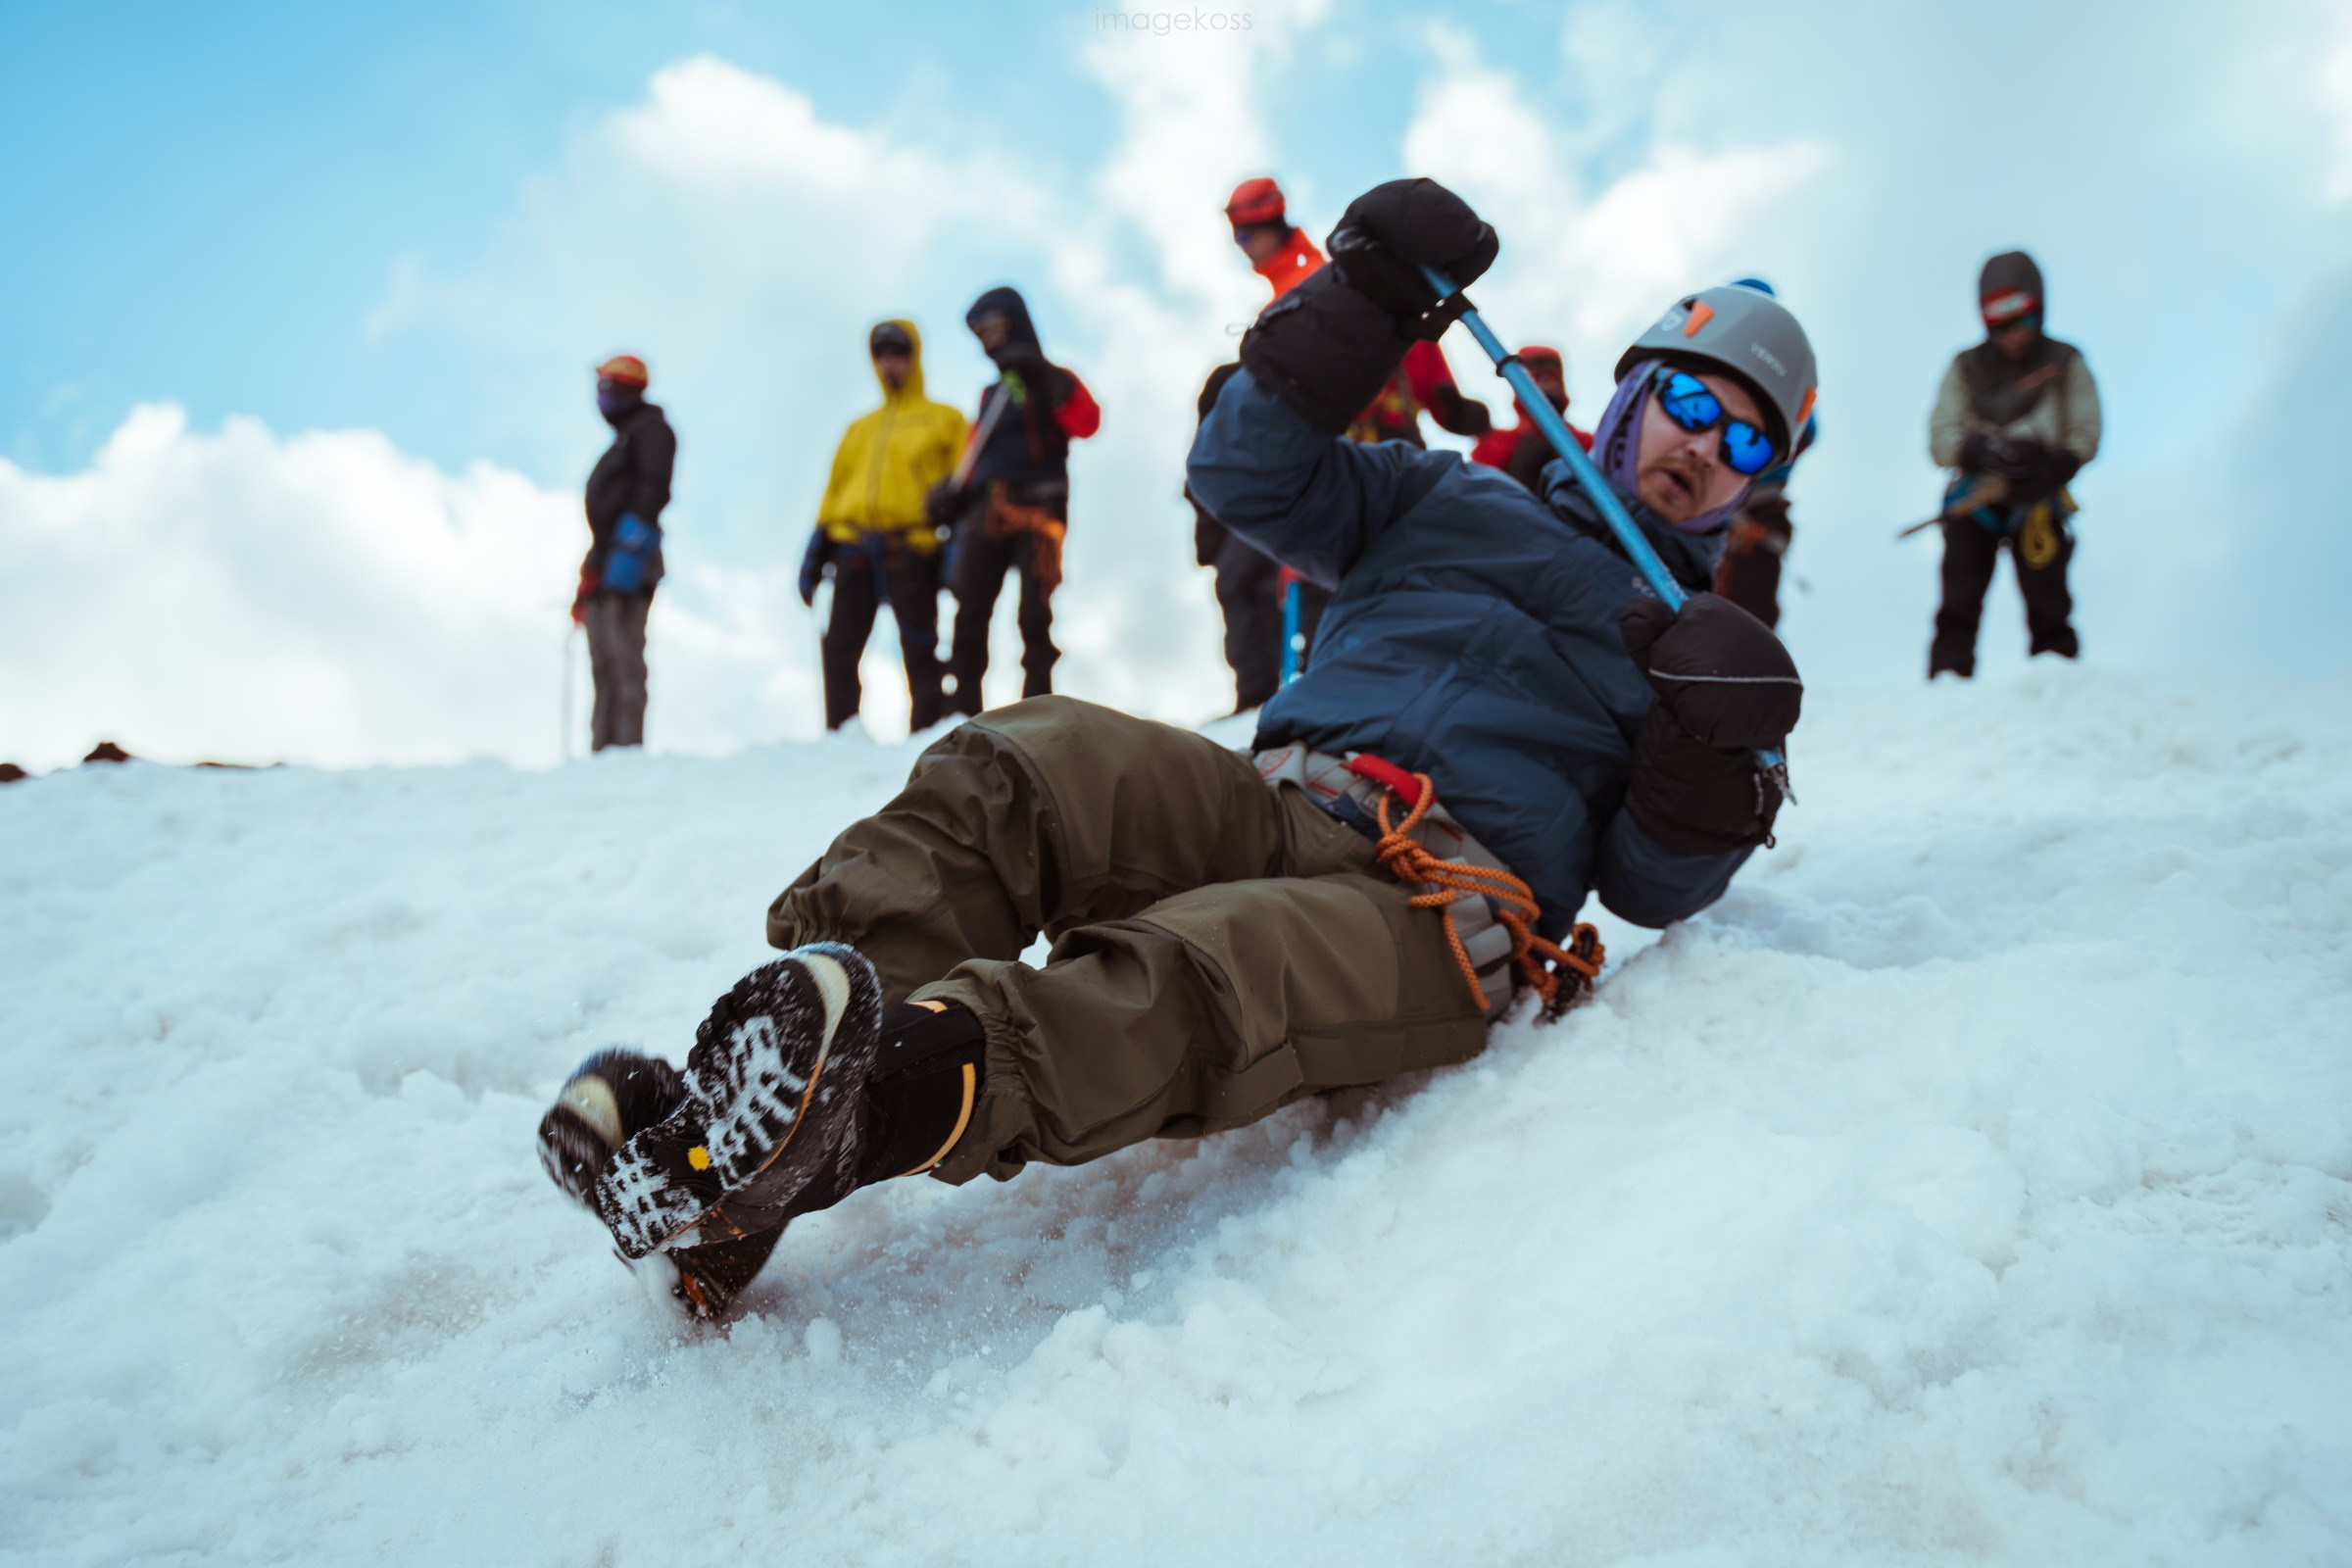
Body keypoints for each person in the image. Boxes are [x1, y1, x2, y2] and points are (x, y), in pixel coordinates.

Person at [534, 180, 1815, 1320]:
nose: (1704, 449)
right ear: (1633, 398)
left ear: (1761, 484)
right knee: (1031, 762)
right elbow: (1248, 475)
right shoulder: (1447, 495)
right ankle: (751, 1103)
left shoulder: (1708, 661)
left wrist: (1712, 752)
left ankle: (868, 1111)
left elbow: (1651, 882)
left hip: (1437, 903)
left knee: (1211, 968)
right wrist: (1357, 301)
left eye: (1747, 442)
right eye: (1692, 405)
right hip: (1279, 803)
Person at [1926, 251, 2101, 677]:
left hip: (2039, 502)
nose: (2013, 335)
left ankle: (2060, 685)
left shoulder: (2066, 361)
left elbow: (2086, 429)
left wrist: (2055, 465)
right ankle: (1946, 691)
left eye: (2022, 320)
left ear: (2040, 310)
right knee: (1958, 604)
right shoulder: (1964, 367)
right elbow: (1940, 438)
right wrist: (1980, 450)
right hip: (1975, 502)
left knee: (2050, 605)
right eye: (2000, 324)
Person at [934, 288, 1101, 715]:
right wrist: (953, 495)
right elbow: (975, 455)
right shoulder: (991, 397)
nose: (990, 341)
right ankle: (962, 712)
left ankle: (1036, 709)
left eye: (996, 329)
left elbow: (1087, 422)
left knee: (1034, 615)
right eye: (982, 334)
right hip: (989, 510)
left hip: (1041, 512)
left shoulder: (1054, 380)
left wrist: (1044, 376)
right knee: (970, 612)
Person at [799, 320, 967, 733]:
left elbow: (964, 487)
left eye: (899, 354)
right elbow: (835, 488)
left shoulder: (944, 420)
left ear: (916, 356)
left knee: (920, 649)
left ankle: (926, 739)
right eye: (882, 355)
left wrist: (958, 550)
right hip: (852, 549)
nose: (890, 363)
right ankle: (840, 737)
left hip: (912, 551)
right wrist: (817, 547)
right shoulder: (859, 428)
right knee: (839, 649)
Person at [575, 355, 676, 752]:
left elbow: (653, 489)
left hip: (632, 557)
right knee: (602, 659)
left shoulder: (652, 430)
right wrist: (594, 566)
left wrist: (629, 547)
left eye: (607, 388)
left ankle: (626, 748)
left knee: (624, 654)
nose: (602, 397)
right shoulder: (624, 438)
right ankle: (602, 751)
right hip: (606, 556)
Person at [1711, 279, 1817, 629]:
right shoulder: (1784, 372)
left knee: (1745, 608)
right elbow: (1807, 431)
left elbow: (1807, 431)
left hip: (1750, 513)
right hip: (1739, 512)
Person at [1467, 344, 1591, 493]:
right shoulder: (1497, 443)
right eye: (1537, 373)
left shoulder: (1586, 442)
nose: (1546, 380)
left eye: (1552, 373)